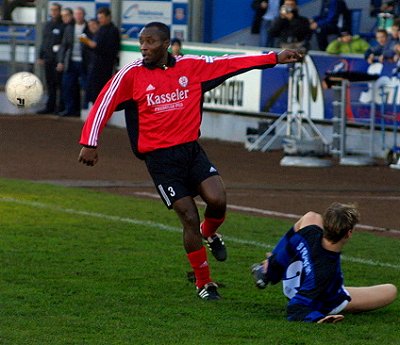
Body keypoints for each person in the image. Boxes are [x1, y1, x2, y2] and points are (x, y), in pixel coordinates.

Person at [78, 21, 303, 300]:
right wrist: (90, 142)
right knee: (188, 215)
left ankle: (209, 233)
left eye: (150, 42)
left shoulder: (191, 67)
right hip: (160, 161)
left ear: (165, 43)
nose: (144, 47)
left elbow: (231, 63)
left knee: (218, 200)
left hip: (191, 151)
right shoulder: (131, 74)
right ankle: (204, 283)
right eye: (141, 42)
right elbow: (103, 102)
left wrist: (274, 58)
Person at [251, 202, 397, 323]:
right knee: (391, 291)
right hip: (314, 293)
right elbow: (296, 307)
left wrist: (274, 262)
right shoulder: (326, 270)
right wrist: (318, 318)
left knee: (311, 216)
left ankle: (267, 270)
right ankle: (336, 298)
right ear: (349, 233)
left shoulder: (310, 232)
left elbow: (290, 247)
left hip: (292, 279)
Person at [79, 7, 120, 104]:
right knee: (92, 89)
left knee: (101, 89)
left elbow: (106, 48)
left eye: (102, 17)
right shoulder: (101, 29)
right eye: (99, 18)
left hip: (105, 66)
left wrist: (90, 44)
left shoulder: (113, 31)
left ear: (108, 17)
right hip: (95, 64)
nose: (100, 20)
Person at [56, 7, 90, 117]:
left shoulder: (88, 27)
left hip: (84, 63)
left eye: (80, 14)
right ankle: (69, 109)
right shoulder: (69, 28)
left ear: (84, 15)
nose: (78, 16)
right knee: (67, 85)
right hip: (71, 62)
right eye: (76, 14)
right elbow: (64, 46)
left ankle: (85, 110)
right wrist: (61, 61)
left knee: (86, 86)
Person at [36, 2, 65, 115]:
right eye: (52, 10)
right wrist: (40, 56)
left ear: (59, 11)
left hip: (57, 60)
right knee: (50, 84)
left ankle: (60, 107)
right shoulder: (47, 25)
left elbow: (64, 44)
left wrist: (61, 60)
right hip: (48, 59)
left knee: (59, 84)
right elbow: (44, 42)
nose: (53, 12)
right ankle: (50, 106)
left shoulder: (63, 25)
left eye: (55, 10)